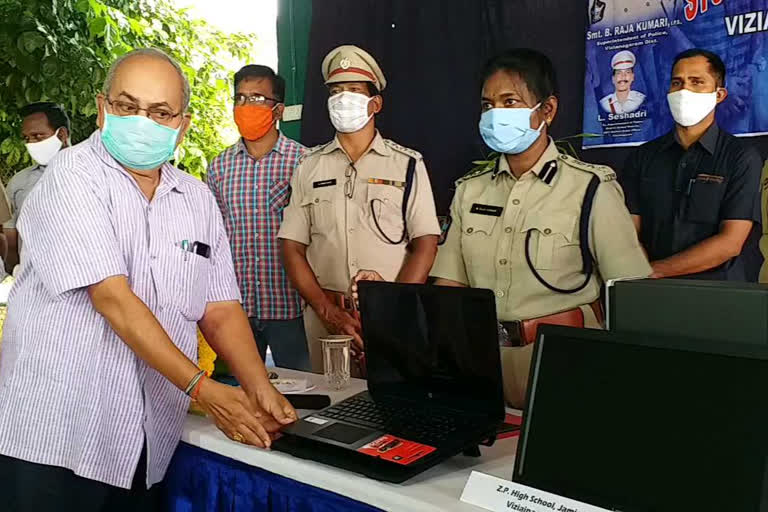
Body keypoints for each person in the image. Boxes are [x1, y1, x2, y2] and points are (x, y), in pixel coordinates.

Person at [0, 48, 296, 511]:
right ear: (102, 109)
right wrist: (204, 388)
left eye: (160, 112)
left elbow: (219, 307)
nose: (142, 120)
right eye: (126, 106)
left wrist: (258, 388)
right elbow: (112, 298)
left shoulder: (196, 198)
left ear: (183, 123)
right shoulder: (72, 176)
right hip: (55, 437)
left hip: (145, 440)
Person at [428, 49, 651, 407]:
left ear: (547, 110)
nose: (496, 114)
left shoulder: (590, 188)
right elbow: (449, 284)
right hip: (483, 360)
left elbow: (629, 296)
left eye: (510, 102)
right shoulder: (470, 190)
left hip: (564, 356)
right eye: (488, 105)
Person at [278, 45, 441, 373]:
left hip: (392, 320)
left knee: (391, 413)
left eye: (353, 91)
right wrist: (328, 313)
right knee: (329, 416)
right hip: (327, 323)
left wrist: (391, 308)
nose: (343, 98)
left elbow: (426, 242)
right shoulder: (309, 166)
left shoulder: (407, 165)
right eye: (336, 92)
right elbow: (291, 246)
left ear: (375, 103)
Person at [622, 49, 763, 281]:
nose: (684, 90)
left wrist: (655, 271)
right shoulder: (643, 156)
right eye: (677, 82)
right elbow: (628, 231)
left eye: (697, 82)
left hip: (716, 297)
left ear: (719, 95)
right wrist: (641, 275)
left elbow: (731, 242)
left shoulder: (741, 157)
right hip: (649, 293)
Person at [207, 65, 310, 372]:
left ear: (277, 110)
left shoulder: (304, 162)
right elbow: (216, 237)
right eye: (240, 98)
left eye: (256, 99)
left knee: (306, 394)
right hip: (236, 308)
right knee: (240, 395)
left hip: (290, 306)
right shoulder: (219, 168)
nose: (245, 106)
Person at [5, 102, 70, 272]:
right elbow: (9, 238)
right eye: (27, 138)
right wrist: (18, 270)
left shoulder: (93, 174)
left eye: (38, 136)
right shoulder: (19, 183)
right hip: (33, 281)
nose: (31, 143)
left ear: (61, 134)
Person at [600, 50, 646, 114]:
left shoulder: (642, 100)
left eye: (627, 72)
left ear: (632, 77)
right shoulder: (603, 104)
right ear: (613, 79)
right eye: (619, 73)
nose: (623, 77)